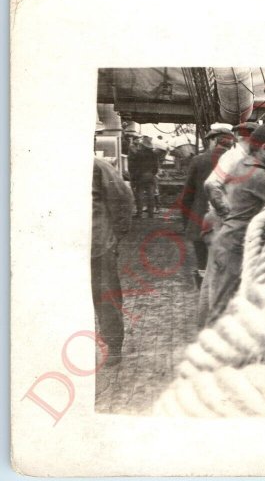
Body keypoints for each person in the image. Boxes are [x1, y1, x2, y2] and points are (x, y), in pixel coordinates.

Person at [203, 123, 265, 327]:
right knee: (222, 308)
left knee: (222, 302)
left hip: (227, 239)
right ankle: (212, 353)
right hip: (236, 245)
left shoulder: (242, 165)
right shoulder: (259, 177)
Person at [178, 128, 235, 289]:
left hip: (201, 219)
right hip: (228, 220)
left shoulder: (199, 160)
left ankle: (204, 295)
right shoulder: (238, 162)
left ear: (213, 140)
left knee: (203, 262)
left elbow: (187, 196)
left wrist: (186, 223)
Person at [92, 157, 135, 366]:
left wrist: (116, 235)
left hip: (98, 246)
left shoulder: (98, 167)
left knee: (105, 296)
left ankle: (113, 346)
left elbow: (122, 199)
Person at [128, 136, 160, 218]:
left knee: (139, 195)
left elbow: (134, 166)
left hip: (140, 176)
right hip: (151, 176)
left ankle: (139, 213)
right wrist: (152, 174)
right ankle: (151, 214)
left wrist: (134, 176)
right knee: (151, 195)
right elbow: (156, 167)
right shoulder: (154, 154)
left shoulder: (138, 154)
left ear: (143, 146)